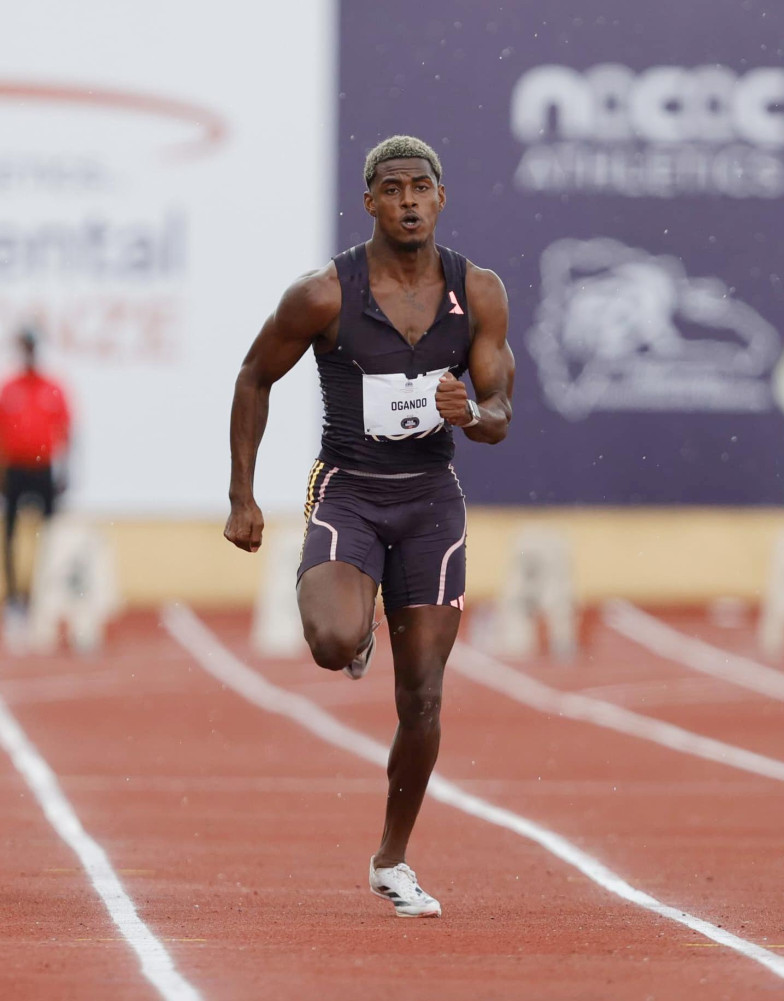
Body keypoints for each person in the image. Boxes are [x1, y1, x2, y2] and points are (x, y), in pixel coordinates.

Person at [224, 135, 514, 918]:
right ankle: (354, 628)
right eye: (393, 189)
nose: (409, 201)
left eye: (422, 186)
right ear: (370, 203)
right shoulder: (324, 294)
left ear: (442, 198)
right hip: (349, 490)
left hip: (430, 503)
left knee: (422, 696)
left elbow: (501, 412)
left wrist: (475, 412)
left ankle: (393, 857)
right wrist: (241, 495)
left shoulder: (478, 292)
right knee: (329, 642)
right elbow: (255, 375)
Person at [0, 327, 71, 612]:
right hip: (15, 468)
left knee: (50, 535)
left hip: (43, 469)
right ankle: (14, 595)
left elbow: (66, 430)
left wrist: (65, 471)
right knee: (11, 534)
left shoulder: (51, 388)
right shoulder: (9, 388)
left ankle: (45, 593)